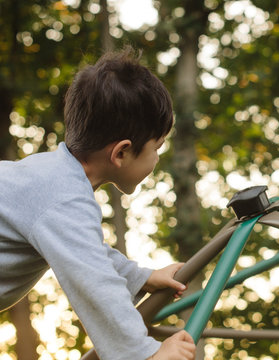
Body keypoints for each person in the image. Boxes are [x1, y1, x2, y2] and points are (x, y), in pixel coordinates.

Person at [0, 47, 196, 360]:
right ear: (121, 153)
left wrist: (139, 276)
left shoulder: (54, 181)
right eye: (157, 148)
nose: (158, 158)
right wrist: (145, 354)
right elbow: (96, 282)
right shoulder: (61, 195)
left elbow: (87, 252)